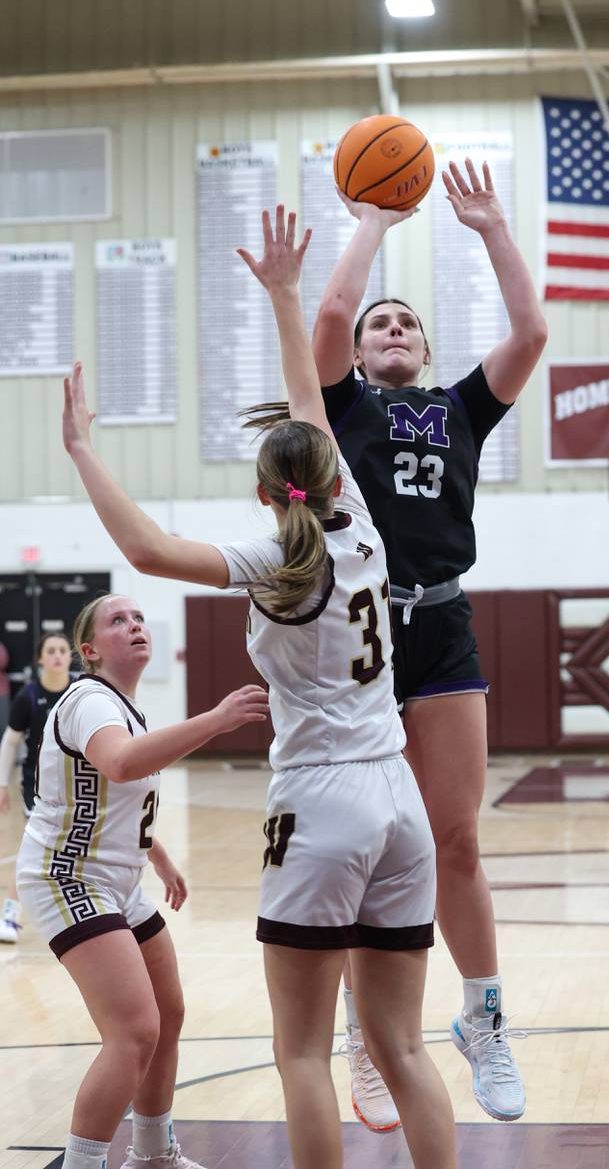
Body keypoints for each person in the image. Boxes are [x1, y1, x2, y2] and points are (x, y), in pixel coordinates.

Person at [60, 206, 457, 1169]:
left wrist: (82, 452)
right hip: (399, 796)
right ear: (329, 476)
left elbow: (147, 548)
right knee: (404, 1045)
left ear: (261, 488)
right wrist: (286, 297)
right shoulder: (359, 523)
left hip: (320, 801)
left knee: (301, 1054)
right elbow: (311, 407)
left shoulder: (268, 556)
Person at [311, 158, 548, 1124]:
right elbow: (326, 318)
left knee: (455, 839)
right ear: (363, 357)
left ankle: (483, 1021)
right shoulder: (345, 406)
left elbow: (531, 334)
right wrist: (373, 219)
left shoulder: (460, 410)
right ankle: (365, 1035)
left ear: (425, 344)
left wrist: (491, 228)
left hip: (441, 621)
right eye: (382, 325)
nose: (392, 328)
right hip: (357, 629)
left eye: (406, 321)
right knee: (359, 844)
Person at [15, 594, 269, 1169]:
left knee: (167, 1013)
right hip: (68, 876)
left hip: (117, 879)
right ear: (90, 650)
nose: (133, 626)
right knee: (133, 1030)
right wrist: (217, 718)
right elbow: (123, 764)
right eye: (116, 621)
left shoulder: (124, 707)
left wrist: (158, 856)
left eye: (137, 619)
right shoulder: (86, 698)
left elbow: (112, 797)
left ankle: (153, 1154)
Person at [0, 631, 74, 942]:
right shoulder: (28, 696)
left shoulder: (81, 692)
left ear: (71, 657)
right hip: (37, 783)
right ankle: (9, 918)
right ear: (40, 659)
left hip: (75, 782)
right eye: (51, 650)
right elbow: (10, 741)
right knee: (32, 851)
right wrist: (2, 783)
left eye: (62, 650)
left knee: (74, 850)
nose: (57, 655)